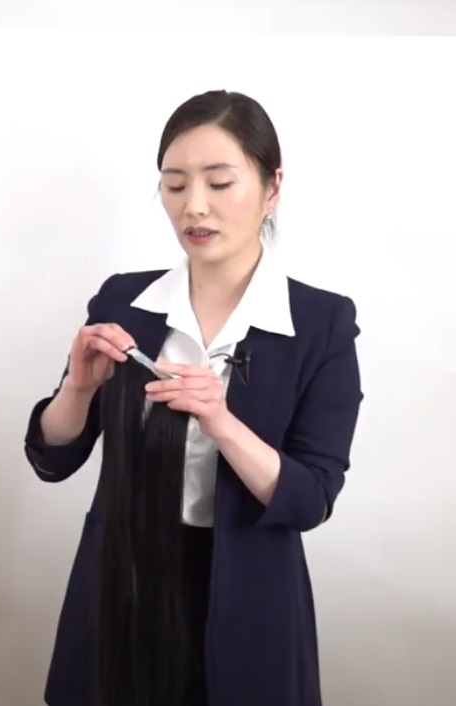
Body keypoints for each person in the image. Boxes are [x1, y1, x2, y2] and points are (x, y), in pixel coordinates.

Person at [23, 89, 363, 706]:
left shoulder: (321, 323)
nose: (194, 206)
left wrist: (221, 422)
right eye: (174, 185)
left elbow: (310, 499)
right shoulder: (124, 301)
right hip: (122, 583)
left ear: (272, 187)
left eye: (219, 182)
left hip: (251, 599)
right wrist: (78, 387)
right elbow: (53, 457)